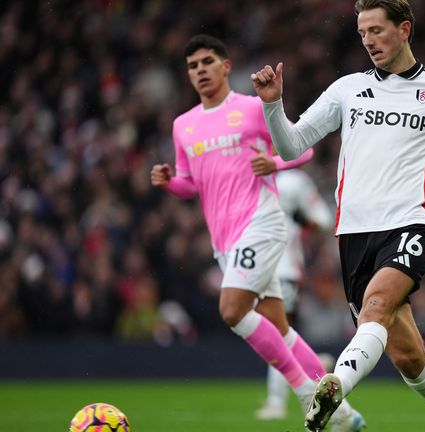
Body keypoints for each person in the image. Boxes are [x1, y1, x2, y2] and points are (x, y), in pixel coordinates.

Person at [251, 1, 425, 431]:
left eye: (377, 31)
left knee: (376, 306)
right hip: (354, 234)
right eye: (362, 32)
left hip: (409, 223)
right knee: (408, 358)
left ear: (404, 30)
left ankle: (333, 388)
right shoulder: (347, 89)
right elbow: (291, 147)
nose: (368, 40)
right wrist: (274, 105)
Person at [151, 34, 364, 431]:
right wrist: (169, 182)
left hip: (261, 222)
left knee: (232, 310)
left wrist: (275, 164)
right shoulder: (183, 126)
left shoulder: (251, 109)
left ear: (225, 66)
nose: (200, 70)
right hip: (225, 240)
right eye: (192, 65)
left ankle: (305, 396)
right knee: (280, 329)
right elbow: (188, 182)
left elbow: (303, 149)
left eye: (207, 62)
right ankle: (344, 414)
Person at [255, 167, 334, 420]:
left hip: (282, 268)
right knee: (271, 332)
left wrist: (302, 219)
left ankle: (276, 401)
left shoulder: (293, 180)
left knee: (275, 333)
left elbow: (323, 219)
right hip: (255, 268)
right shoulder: (255, 174)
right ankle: (313, 364)